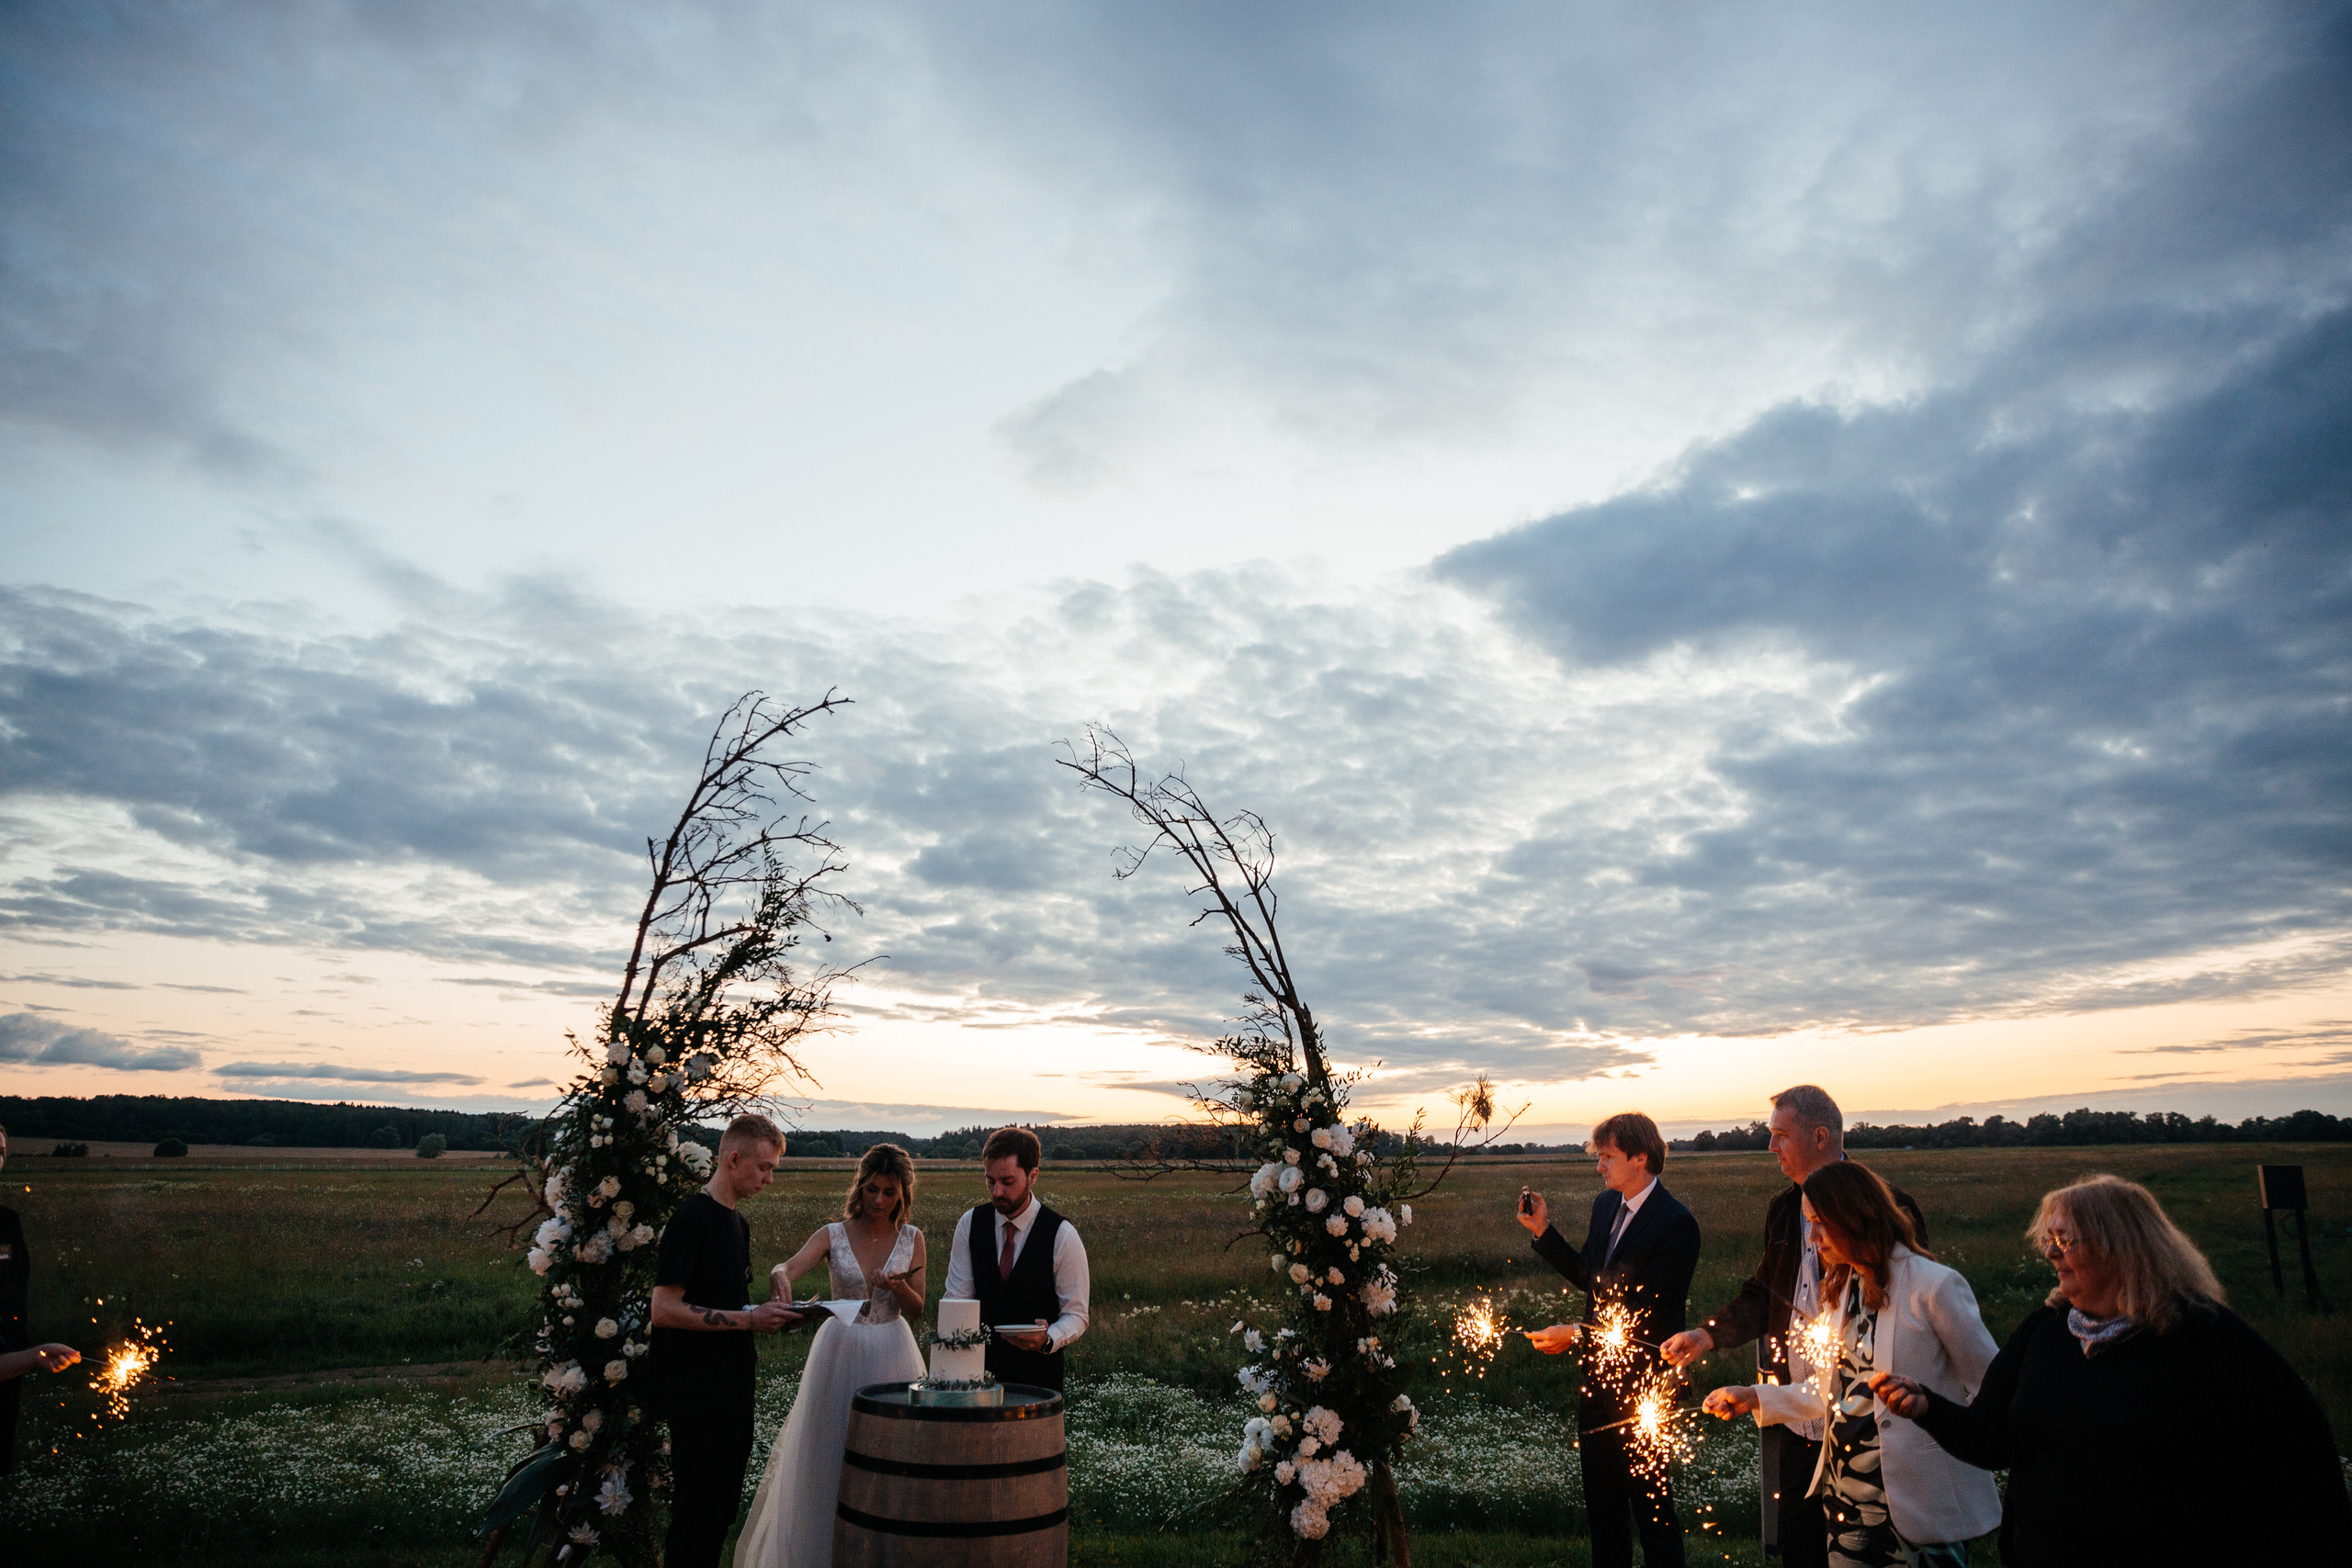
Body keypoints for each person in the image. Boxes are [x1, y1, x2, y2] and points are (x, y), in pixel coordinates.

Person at [1868, 1173, 2352, 1566]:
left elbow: (2300, 1462)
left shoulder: (2204, 1338)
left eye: (2065, 1240)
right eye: (2048, 1239)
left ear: (2120, 1246)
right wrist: (1928, 1407)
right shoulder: (2046, 1331)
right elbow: (1995, 1439)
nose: (2050, 1252)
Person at [1660, 1085, 1926, 1568]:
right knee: (1801, 1551)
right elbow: (1767, 1293)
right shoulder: (1784, 1209)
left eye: (1781, 1135)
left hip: (1865, 1431)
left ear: (1820, 1137)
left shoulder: (1889, 1207)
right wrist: (1707, 1335)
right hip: (1797, 1421)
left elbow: (1911, 1322)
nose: (1771, 1147)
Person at [1701, 1161, 1997, 1568]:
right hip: (1842, 1499)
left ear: (1856, 1216)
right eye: (1808, 1222)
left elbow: (1994, 1387)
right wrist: (1754, 1396)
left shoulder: (1934, 1287)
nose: (1812, 1235)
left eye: (1821, 1222)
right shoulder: (1841, 1292)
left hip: (1913, 1501)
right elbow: (1833, 1394)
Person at [1517, 1111, 1702, 1568]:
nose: (1599, 1166)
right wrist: (1543, 1230)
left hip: (1645, 1391)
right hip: (1597, 1384)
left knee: (1653, 1513)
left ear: (1640, 1157)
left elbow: (1651, 1322)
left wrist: (1577, 1335)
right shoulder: (1606, 1206)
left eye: (1607, 1157)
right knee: (1604, 1511)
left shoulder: (1676, 1224)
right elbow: (1590, 1278)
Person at [733, 1144, 928, 1568]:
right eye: (872, 1189)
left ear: (903, 1194)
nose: (879, 1200)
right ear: (859, 1187)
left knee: (892, 1458)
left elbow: (918, 1307)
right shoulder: (832, 1233)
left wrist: (896, 1287)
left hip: (893, 1350)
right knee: (828, 1454)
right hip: (839, 1349)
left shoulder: (912, 1239)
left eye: (889, 1192)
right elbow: (788, 1266)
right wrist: (778, 1275)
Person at [649, 1115, 808, 1568]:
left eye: (773, 1169)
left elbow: (728, 1305)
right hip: (698, 1397)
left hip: (733, 1391)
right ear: (733, 1159)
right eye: (763, 1167)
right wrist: (748, 1320)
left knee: (719, 1516)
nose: (768, 1178)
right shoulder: (692, 1218)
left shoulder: (737, 1224)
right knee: (695, 1522)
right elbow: (664, 1309)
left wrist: (774, 1314)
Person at [938, 1126, 1090, 1392]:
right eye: (990, 1181)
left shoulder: (1062, 1235)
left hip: (1039, 1383)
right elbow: (957, 1300)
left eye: (1007, 1182)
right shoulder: (970, 1224)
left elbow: (1076, 1314)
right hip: (977, 1380)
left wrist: (1048, 1338)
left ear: (1033, 1176)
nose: (996, 1192)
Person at [0, 1123, 82, 1475]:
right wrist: (32, 1357)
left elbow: (17, 1300)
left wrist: (26, 1355)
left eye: (1, 1152)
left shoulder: (6, 1223)